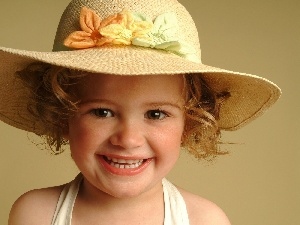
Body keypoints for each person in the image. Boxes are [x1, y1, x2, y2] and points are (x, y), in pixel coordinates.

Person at [0, 0, 281, 224]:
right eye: (101, 111)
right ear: (61, 115)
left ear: (190, 123)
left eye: (156, 114)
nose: (128, 139)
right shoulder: (35, 214)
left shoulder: (205, 220)